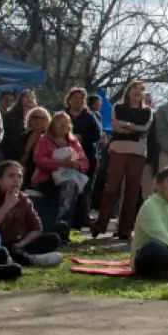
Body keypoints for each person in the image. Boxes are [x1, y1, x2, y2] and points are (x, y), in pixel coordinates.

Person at [94, 80, 152, 239]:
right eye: (134, 88)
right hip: (119, 149)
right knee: (112, 186)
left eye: (141, 89)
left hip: (138, 152)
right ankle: (101, 224)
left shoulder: (147, 112)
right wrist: (132, 127)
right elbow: (116, 126)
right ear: (128, 91)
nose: (137, 92)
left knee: (132, 191)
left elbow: (145, 128)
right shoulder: (117, 108)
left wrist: (127, 126)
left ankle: (125, 228)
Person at [0, 160, 65, 266]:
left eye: (19, 176)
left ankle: (18, 255)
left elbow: (37, 228)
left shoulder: (23, 199)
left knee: (53, 238)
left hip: (15, 243)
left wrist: (21, 244)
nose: (16, 180)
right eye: (11, 175)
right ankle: (29, 259)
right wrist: (7, 205)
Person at [31, 111, 89, 235]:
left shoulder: (73, 142)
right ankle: (58, 224)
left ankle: (63, 227)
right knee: (65, 192)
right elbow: (39, 160)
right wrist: (60, 163)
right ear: (53, 124)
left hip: (69, 180)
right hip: (47, 179)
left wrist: (77, 165)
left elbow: (84, 161)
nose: (63, 125)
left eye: (66, 123)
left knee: (71, 188)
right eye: (60, 122)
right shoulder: (44, 140)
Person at [63, 88, 103, 230]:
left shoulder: (89, 116)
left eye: (81, 98)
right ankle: (65, 219)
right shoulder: (63, 115)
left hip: (86, 157)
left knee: (84, 189)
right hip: (64, 157)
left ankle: (80, 220)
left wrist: (82, 137)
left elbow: (98, 135)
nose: (78, 101)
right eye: (75, 98)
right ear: (69, 99)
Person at [1, 90, 35, 162]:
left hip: (30, 155)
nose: (30, 99)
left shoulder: (37, 117)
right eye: (27, 96)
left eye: (32, 97)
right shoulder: (11, 116)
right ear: (21, 99)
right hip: (12, 152)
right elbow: (4, 135)